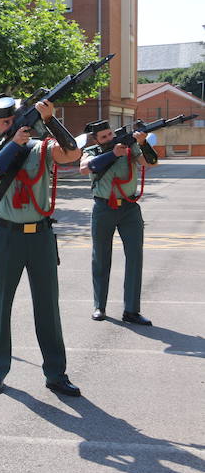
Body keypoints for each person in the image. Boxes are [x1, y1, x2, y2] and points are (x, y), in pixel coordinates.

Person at [0, 95, 82, 397]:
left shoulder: (40, 147)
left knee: (47, 306)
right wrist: (14, 144)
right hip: (7, 235)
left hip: (40, 236)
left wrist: (50, 121)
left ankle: (56, 373)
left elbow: (72, 153)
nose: (10, 126)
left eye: (14, 120)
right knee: (0, 306)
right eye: (5, 122)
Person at [79, 120, 157, 326]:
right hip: (104, 208)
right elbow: (85, 169)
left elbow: (150, 163)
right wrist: (113, 154)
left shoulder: (130, 147)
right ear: (96, 139)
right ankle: (99, 306)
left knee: (134, 257)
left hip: (129, 208)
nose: (109, 139)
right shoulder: (92, 151)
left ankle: (131, 310)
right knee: (101, 257)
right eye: (103, 137)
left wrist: (143, 144)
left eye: (110, 134)